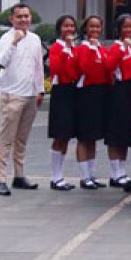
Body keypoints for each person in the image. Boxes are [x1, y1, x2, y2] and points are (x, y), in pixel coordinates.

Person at [0, 2, 46, 196]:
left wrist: (40, 90)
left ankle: (19, 175)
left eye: (26, 16)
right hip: (11, 95)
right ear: (12, 19)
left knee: (22, 138)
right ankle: (0, 179)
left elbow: (38, 66)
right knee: (6, 139)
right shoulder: (6, 39)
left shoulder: (35, 39)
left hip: (30, 94)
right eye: (19, 16)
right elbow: (2, 62)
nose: (24, 19)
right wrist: (15, 42)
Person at [73, 15, 111, 189]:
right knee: (84, 136)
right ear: (85, 29)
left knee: (93, 136)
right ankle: (84, 176)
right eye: (92, 27)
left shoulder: (102, 49)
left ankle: (92, 174)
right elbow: (85, 68)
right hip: (85, 94)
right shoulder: (82, 48)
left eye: (98, 27)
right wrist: (91, 49)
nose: (95, 30)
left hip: (100, 93)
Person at [104, 14, 131, 189]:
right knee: (116, 133)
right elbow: (109, 67)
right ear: (118, 29)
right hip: (119, 90)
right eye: (125, 27)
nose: (128, 30)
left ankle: (122, 172)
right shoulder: (116, 47)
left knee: (127, 132)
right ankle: (115, 173)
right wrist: (121, 50)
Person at [46, 14, 79, 191]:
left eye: (72, 26)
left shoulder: (74, 48)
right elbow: (57, 69)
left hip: (72, 91)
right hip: (61, 92)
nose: (69, 29)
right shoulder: (56, 48)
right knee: (59, 135)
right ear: (60, 28)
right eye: (66, 26)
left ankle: (60, 176)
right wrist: (66, 51)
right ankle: (55, 176)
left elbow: (76, 71)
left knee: (66, 135)